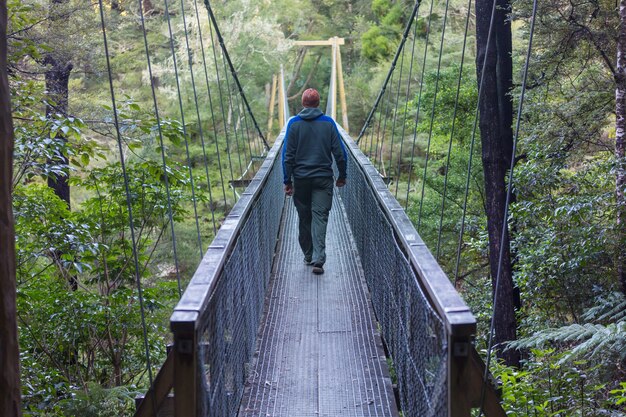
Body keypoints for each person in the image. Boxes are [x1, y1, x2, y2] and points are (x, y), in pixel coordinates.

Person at [282, 88, 348, 275]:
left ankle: (309, 255)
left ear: (303, 104)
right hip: (323, 179)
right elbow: (340, 153)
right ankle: (319, 259)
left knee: (304, 217)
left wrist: (287, 180)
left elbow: (287, 156)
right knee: (320, 216)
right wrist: (342, 175)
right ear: (318, 104)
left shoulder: (293, 124)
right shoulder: (328, 124)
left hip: (300, 179)